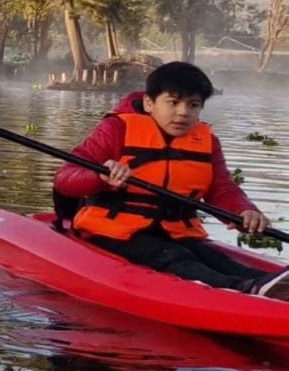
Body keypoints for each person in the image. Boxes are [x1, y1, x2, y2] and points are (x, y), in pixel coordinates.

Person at [55, 61, 289, 298]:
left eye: (193, 105)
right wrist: (100, 176)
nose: (183, 112)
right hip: (112, 231)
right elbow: (65, 179)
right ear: (149, 103)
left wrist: (245, 211)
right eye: (173, 102)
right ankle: (246, 290)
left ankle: (265, 286)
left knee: (213, 257)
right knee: (174, 257)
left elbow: (221, 189)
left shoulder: (208, 142)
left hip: (176, 231)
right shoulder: (116, 130)